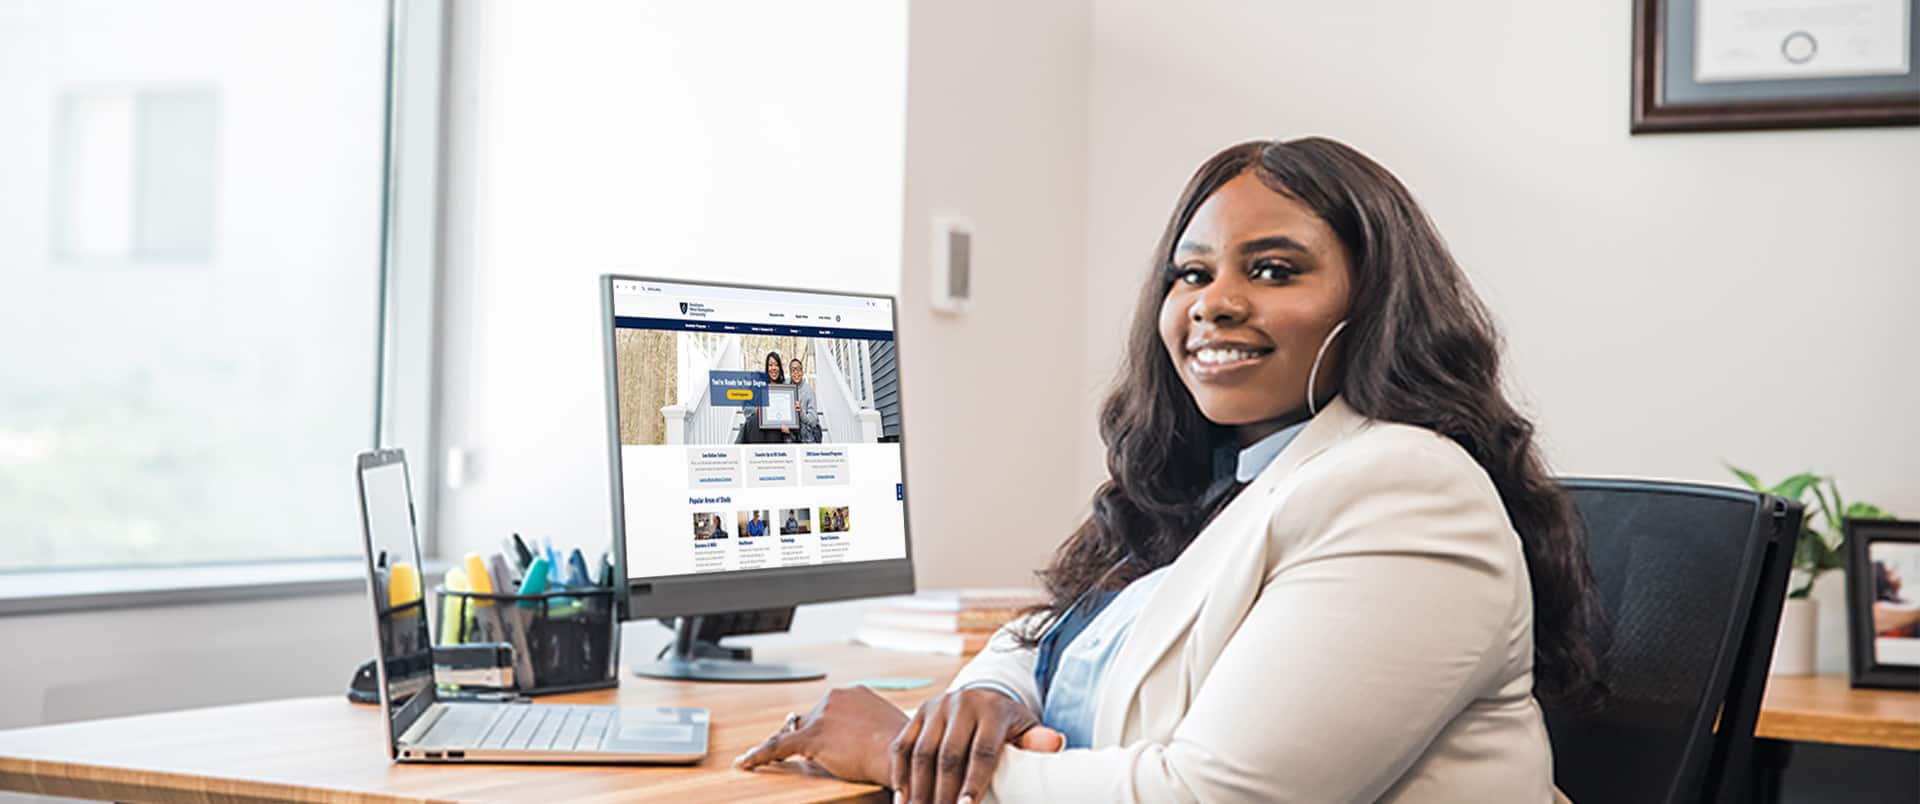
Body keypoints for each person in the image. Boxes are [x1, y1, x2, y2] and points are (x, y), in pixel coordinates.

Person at [735, 137, 1605, 803]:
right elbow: (1042, 639)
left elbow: (1214, 795)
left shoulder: (1407, 489)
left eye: (1272, 270)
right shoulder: (1223, 480)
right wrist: (996, 697)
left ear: (1375, 304)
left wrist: (903, 754)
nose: (1214, 301)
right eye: (1191, 272)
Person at [737, 351, 797, 444]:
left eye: (776, 365)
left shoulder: (785, 387)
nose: (773, 368)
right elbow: (746, 408)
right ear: (767, 368)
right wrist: (757, 410)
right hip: (757, 427)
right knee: (755, 420)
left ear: (780, 368)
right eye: (770, 365)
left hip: (777, 429)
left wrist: (795, 407)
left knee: (774, 429)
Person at [791, 357, 822, 443]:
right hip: (793, 430)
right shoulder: (787, 387)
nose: (796, 373)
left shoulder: (809, 391)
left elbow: (813, 420)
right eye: (793, 370)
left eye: (799, 370)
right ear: (790, 373)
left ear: (802, 372)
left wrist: (801, 412)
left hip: (807, 430)